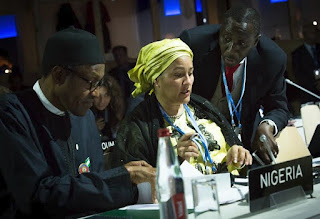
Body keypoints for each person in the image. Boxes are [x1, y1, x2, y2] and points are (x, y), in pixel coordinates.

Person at [0, 26, 156, 218]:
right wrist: (121, 179)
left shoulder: (85, 117)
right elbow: (37, 196)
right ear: (59, 75)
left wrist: (134, 182)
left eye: (99, 83)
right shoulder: (12, 114)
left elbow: (92, 189)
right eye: (91, 82)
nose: (96, 93)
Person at [108, 38, 252, 176]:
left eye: (190, 73)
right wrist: (176, 162)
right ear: (156, 80)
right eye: (178, 75)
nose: (188, 81)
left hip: (228, 190)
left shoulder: (203, 107)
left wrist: (237, 155)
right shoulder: (138, 125)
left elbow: (234, 159)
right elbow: (137, 182)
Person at [179, 6, 289, 164]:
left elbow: (279, 107)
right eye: (226, 39)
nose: (230, 50)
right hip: (196, 144)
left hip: (245, 148)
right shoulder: (193, 43)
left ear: (255, 41)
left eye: (241, 43)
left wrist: (266, 126)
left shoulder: (272, 59)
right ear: (221, 31)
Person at [91, 74, 125, 168]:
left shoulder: (115, 111)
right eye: (98, 96)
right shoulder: (85, 114)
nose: (102, 101)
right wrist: (93, 129)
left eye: (106, 95)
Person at [292, 23, 320, 104]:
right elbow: (299, 75)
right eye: (312, 32)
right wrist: (316, 85)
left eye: (315, 32)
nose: (315, 34)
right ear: (304, 35)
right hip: (309, 92)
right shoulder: (297, 54)